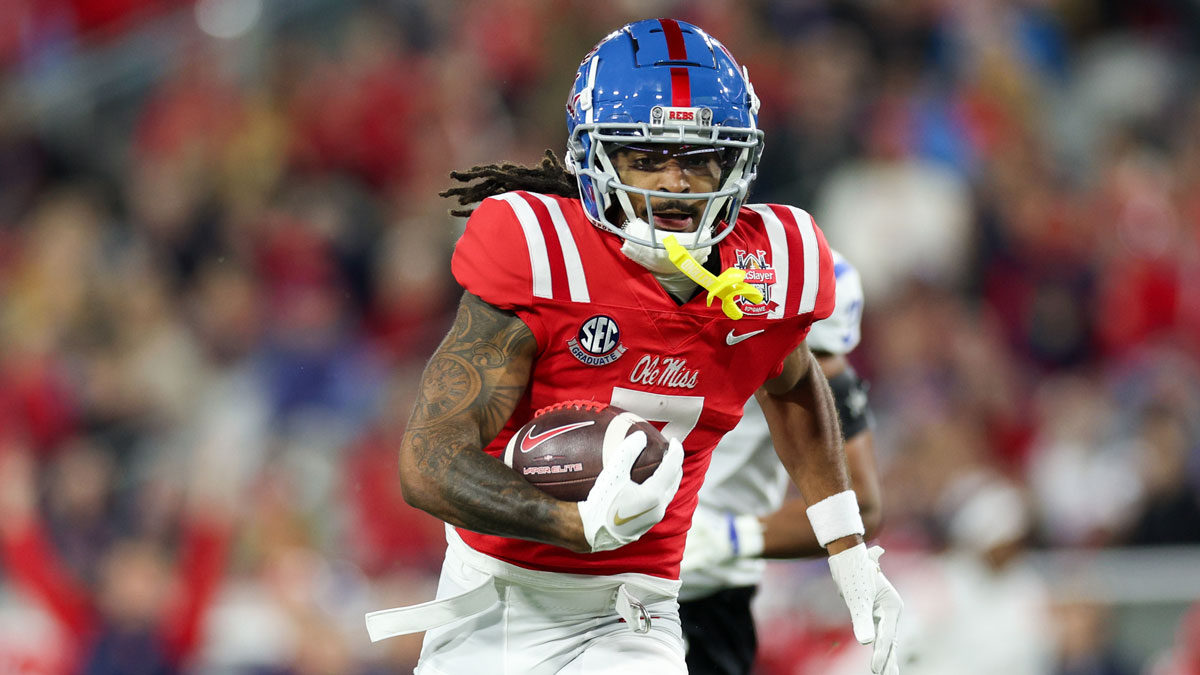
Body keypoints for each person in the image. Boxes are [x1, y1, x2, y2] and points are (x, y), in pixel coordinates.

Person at [365, 19, 901, 675]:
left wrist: (847, 550)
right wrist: (576, 522)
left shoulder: (769, 268)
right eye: (646, 157)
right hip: (494, 601)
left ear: (736, 162)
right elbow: (429, 461)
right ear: (596, 157)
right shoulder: (543, 253)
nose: (675, 183)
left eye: (698, 158)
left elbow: (793, 382)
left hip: (635, 611)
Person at [678, 248, 885, 675]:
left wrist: (728, 539)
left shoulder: (797, 279)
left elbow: (861, 504)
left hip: (704, 591)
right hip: (596, 563)